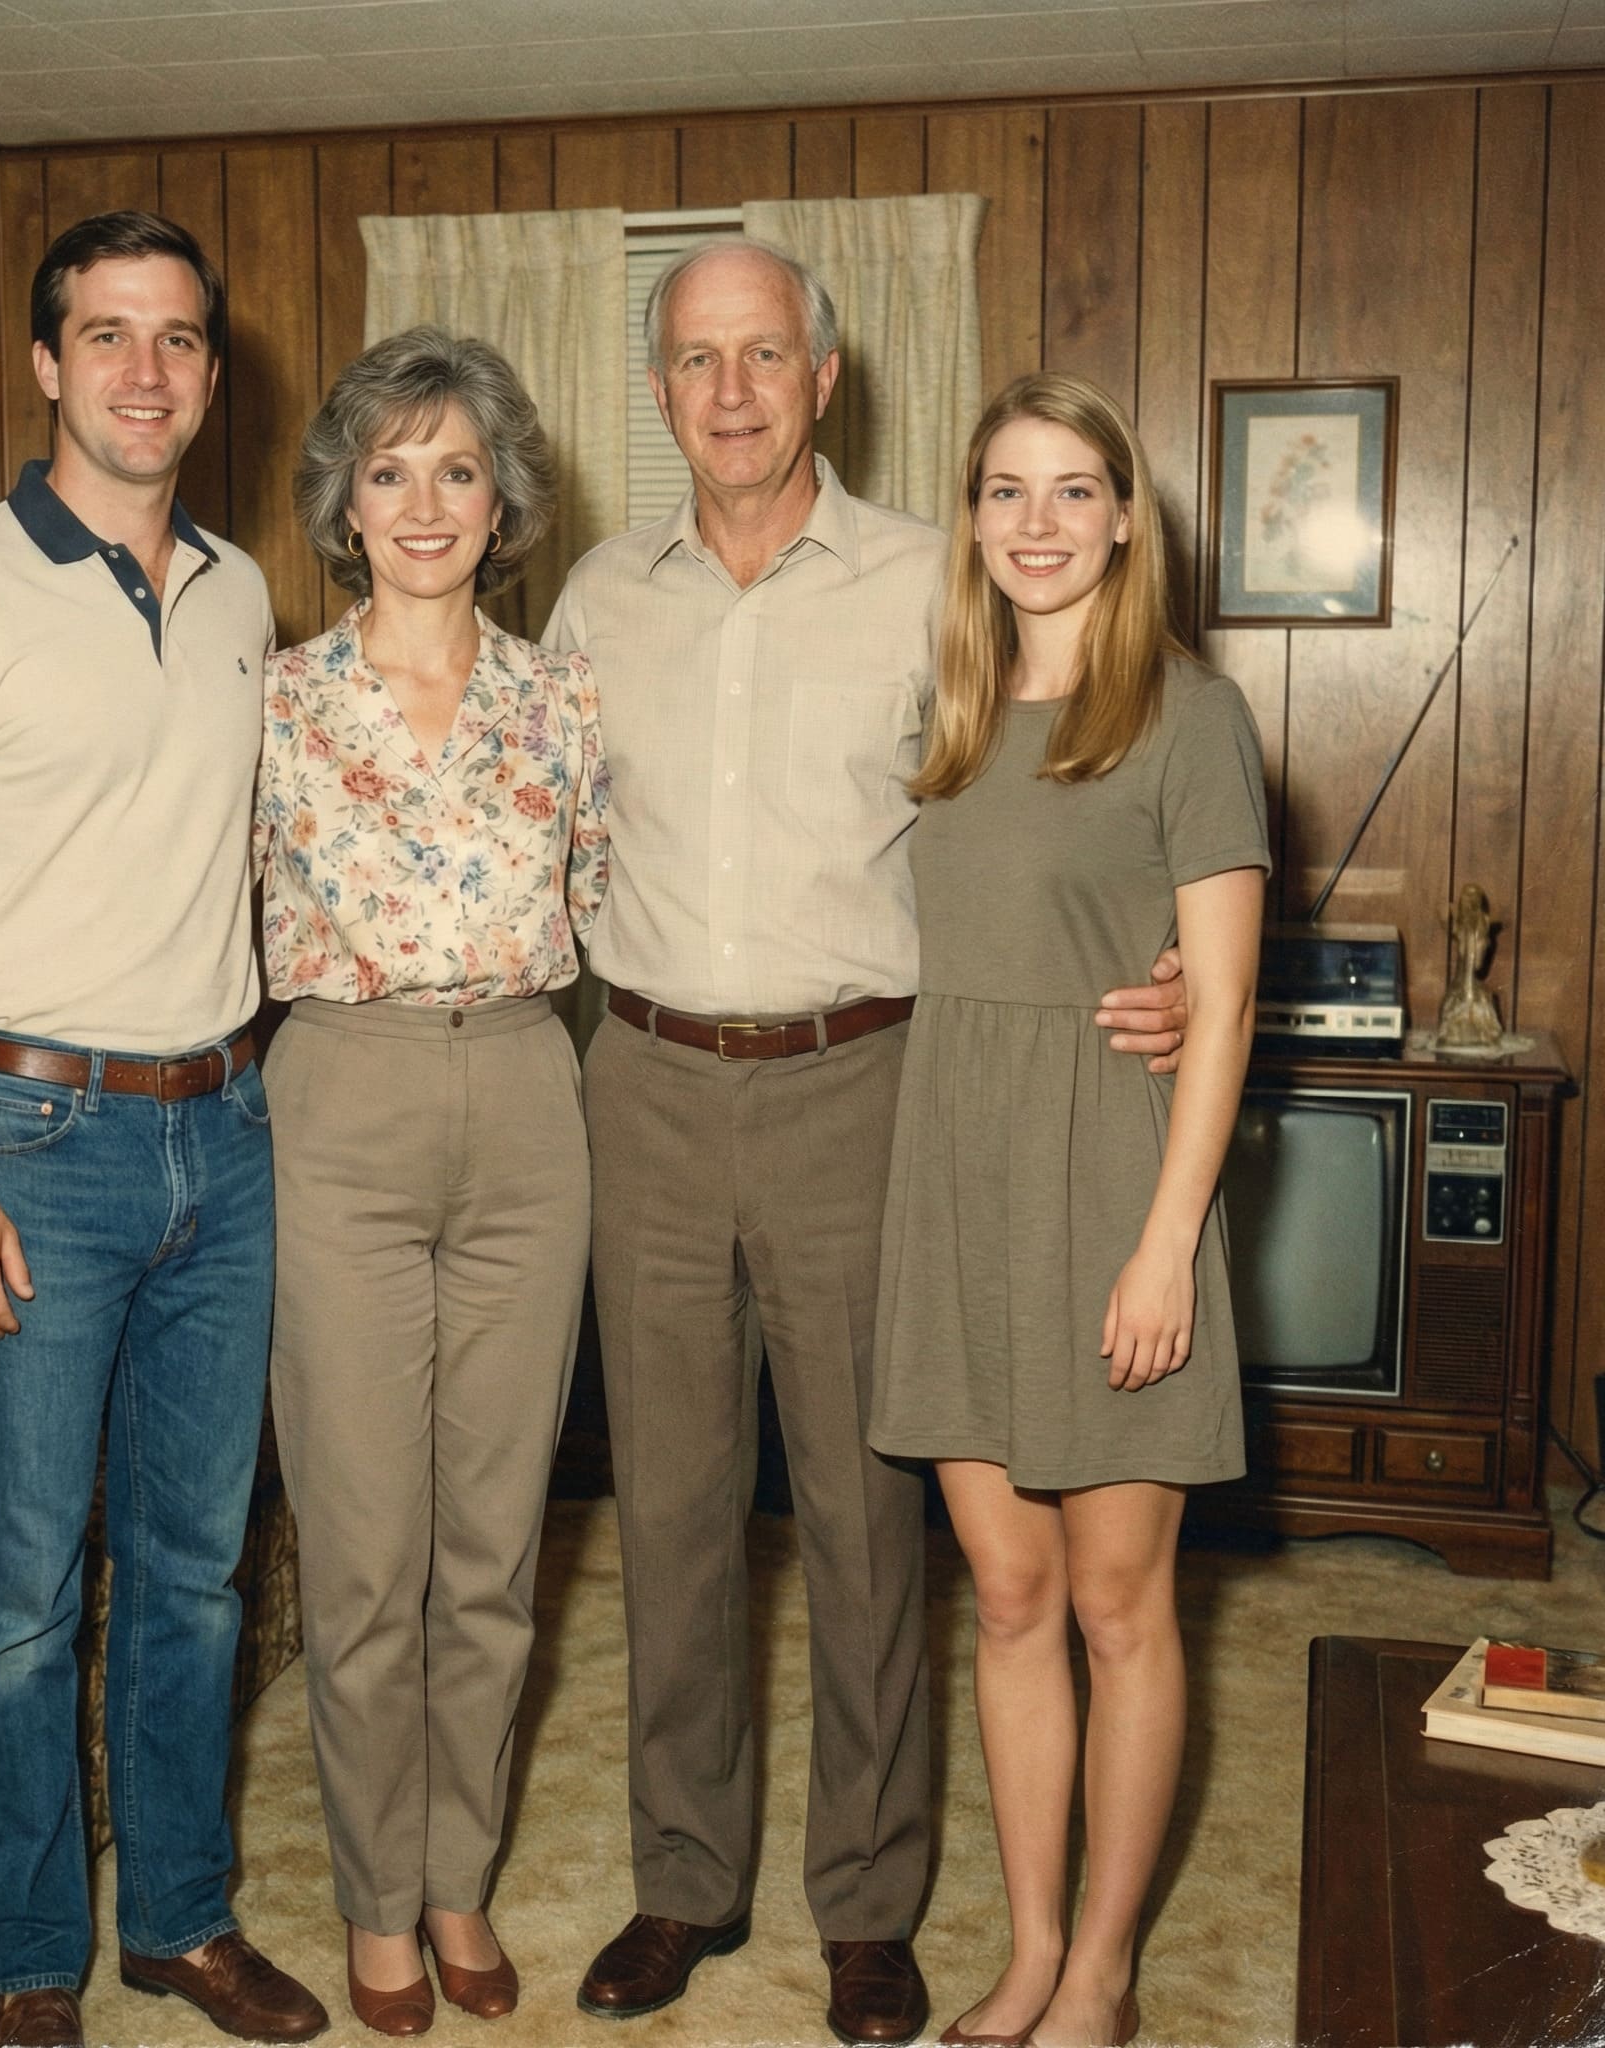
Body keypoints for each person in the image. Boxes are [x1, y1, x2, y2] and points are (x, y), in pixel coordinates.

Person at [542, 239, 1188, 2048]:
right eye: (696, 360)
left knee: (865, 1516)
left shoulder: (937, 578)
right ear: (657, 392)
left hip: (866, 1088)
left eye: (766, 355)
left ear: (826, 377)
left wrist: (1177, 971)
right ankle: (685, 1878)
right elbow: (504, 815)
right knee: (670, 1511)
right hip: (645, 1082)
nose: (731, 391)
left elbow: (1094, 780)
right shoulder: (596, 596)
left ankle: (870, 1906)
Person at [0, 211, 326, 2048]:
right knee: (25, 1597)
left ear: (211, 372)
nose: (145, 370)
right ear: (46, 364)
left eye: (177, 338)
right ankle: (34, 1963)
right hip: (33, 1140)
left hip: (226, 1130)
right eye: (107, 335)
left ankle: (181, 1921)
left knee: (197, 1574)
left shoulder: (242, 595)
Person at [869, 372, 1267, 2048]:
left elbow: (1221, 1005)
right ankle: (1031, 1949)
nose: (1037, 523)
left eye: (1073, 490)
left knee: (1117, 1601)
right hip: (958, 1176)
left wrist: (1167, 1242)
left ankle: (1102, 1972)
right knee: (1011, 1597)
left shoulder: (1189, 714)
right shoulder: (951, 713)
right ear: (972, 520)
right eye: (1005, 491)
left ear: (1123, 521)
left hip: (1114, 1179)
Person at [256, 326, 609, 2036]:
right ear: (344, 503)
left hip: (531, 1098)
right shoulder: (275, 700)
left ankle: (458, 1874)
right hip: (342, 1101)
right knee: (365, 1549)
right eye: (388, 471)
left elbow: (630, 900)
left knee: (491, 1544)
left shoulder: (563, 698)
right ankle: (374, 1901)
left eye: (456, 470)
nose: (421, 503)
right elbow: (154, 874)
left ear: (502, 502)